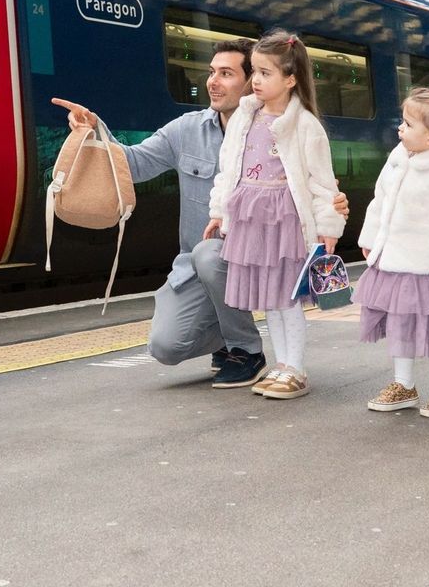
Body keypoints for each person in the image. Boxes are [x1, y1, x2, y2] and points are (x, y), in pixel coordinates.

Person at [52, 39, 350, 389]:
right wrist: (93, 129)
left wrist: (327, 218)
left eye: (227, 74)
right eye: (211, 72)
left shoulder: (296, 126)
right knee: (165, 344)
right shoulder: (191, 129)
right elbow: (132, 163)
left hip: (260, 242)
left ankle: (248, 352)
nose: (213, 81)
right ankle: (229, 337)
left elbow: (315, 181)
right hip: (206, 267)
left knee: (239, 273)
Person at [204, 31, 346, 400]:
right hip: (250, 217)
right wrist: (219, 211)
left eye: (266, 73)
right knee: (270, 298)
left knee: (287, 297)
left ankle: (296, 368)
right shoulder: (245, 116)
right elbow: (227, 168)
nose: (256, 81)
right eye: (254, 72)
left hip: (285, 220)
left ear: (291, 79)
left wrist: (327, 229)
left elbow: (321, 183)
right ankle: (281, 364)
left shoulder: (305, 125)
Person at [354, 88, 429, 417]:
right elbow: (379, 203)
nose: (400, 129)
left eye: (407, 124)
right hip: (393, 261)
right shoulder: (398, 158)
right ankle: (403, 384)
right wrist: (370, 237)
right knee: (400, 326)